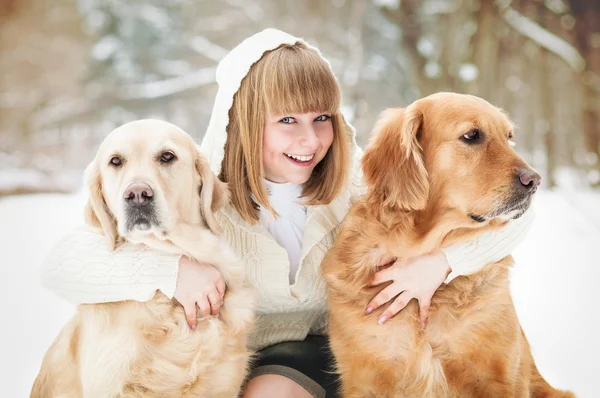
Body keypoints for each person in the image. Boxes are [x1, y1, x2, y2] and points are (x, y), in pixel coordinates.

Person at [41, 28, 534, 398]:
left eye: (323, 119)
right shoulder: (203, 194)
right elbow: (61, 264)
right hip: (249, 366)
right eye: (287, 122)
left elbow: (517, 213)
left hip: (338, 355)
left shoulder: (357, 184)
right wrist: (169, 270)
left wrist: (442, 264)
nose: (309, 140)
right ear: (245, 122)